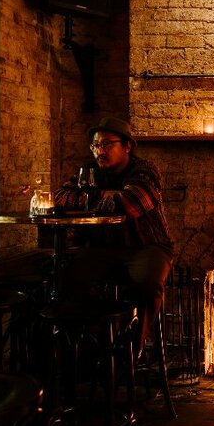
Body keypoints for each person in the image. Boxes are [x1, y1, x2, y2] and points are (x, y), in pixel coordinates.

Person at [54, 117, 175, 354]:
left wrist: (92, 199)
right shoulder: (89, 172)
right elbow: (59, 196)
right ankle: (100, 343)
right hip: (105, 248)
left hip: (148, 245)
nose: (100, 151)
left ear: (127, 146)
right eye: (96, 145)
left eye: (107, 144)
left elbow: (130, 203)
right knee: (68, 279)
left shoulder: (145, 170)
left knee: (148, 283)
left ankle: (131, 351)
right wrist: (105, 196)